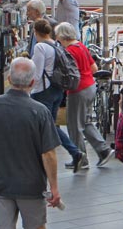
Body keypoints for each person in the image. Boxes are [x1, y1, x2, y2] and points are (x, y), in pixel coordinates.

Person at [0, 57, 62, 228]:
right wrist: (54, 187)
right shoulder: (40, 112)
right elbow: (48, 153)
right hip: (31, 186)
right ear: (33, 82)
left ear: (9, 79)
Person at [55, 22, 115, 169]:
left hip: (78, 91)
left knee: (74, 125)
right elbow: (94, 68)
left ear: (62, 36)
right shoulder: (81, 46)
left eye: (57, 36)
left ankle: (80, 158)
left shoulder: (68, 51)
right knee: (86, 122)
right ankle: (103, 150)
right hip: (90, 86)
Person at [30, 20, 86, 173]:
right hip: (57, 90)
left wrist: (29, 90)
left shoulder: (40, 47)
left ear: (36, 32)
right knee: (50, 125)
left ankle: (68, 152)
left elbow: (37, 72)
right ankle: (73, 152)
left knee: (44, 125)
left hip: (43, 92)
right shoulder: (56, 44)